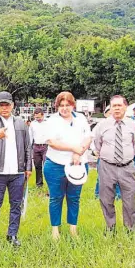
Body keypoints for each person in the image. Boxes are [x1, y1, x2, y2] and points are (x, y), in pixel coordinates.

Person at [0, 91, 32, 247]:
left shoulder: (20, 123)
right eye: (1, 105)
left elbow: (27, 147)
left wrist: (28, 167)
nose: (4, 108)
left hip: (17, 172)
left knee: (16, 205)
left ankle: (12, 235)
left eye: (7, 105)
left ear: (12, 105)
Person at [43, 92, 92, 239]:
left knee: (74, 197)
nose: (64, 108)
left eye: (67, 105)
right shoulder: (51, 120)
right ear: (57, 106)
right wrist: (73, 149)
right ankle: (55, 230)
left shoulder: (81, 119)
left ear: (73, 105)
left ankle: (73, 228)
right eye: (61, 105)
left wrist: (79, 153)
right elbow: (52, 142)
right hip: (55, 165)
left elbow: (88, 138)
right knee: (56, 197)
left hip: (78, 165)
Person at [94, 95, 135, 234]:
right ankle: (110, 228)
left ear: (125, 107)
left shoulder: (133, 124)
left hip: (127, 167)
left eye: (120, 105)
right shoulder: (102, 125)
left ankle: (131, 230)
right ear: (110, 108)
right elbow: (97, 144)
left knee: (129, 200)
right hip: (107, 166)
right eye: (114, 106)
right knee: (106, 200)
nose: (117, 108)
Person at [91, 105, 121, 200]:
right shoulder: (100, 125)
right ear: (106, 114)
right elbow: (92, 138)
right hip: (103, 155)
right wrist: (94, 150)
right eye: (109, 113)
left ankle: (118, 195)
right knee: (101, 176)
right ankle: (98, 195)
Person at [29, 108, 48, 188]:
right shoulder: (33, 124)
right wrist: (29, 147)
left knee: (47, 166)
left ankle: (49, 184)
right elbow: (30, 136)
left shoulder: (48, 123)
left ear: (43, 115)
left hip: (46, 146)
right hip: (36, 147)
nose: (37, 119)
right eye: (36, 117)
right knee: (37, 166)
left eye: (39, 117)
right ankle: (39, 184)